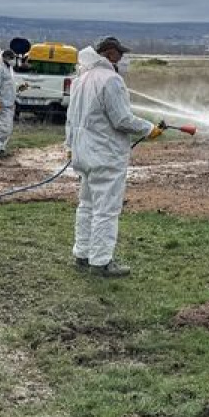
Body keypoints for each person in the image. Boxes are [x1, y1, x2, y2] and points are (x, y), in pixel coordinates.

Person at [65, 36, 162, 278]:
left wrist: (70, 146)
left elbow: (70, 119)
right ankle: (101, 261)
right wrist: (149, 129)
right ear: (109, 54)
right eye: (120, 54)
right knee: (106, 210)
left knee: (86, 205)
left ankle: (82, 254)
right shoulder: (111, 81)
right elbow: (122, 119)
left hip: (83, 154)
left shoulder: (80, 79)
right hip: (105, 156)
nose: (122, 59)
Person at [0, 49, 22, 158]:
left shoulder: (9, 70)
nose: (12, 60)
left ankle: (0, 148)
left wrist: (19, 88)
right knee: (3, 128)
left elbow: (10, 86)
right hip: (1, 104)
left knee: (7, 128)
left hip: (9, 103)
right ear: (4, 58)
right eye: (10, 58)